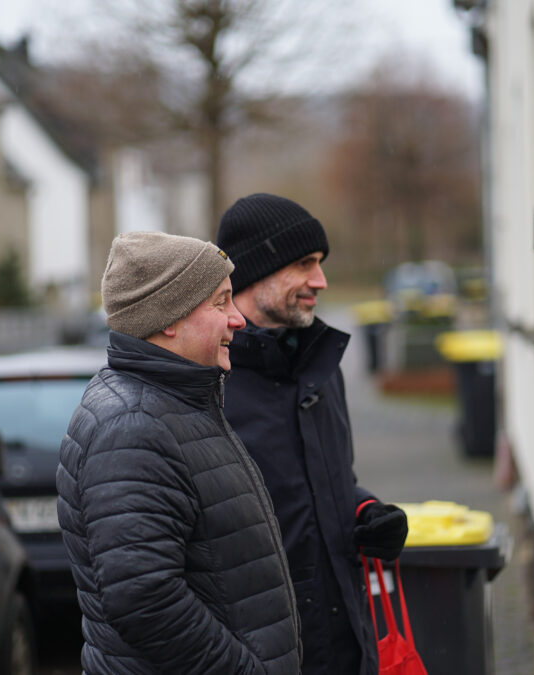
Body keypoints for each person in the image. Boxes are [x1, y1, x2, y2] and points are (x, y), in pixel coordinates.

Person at [56, 231, 301, 674]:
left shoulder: (176, 402)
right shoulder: (132, 425)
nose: (238, 319)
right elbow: (143, 597)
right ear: (169, 317)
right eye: (221, 302)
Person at [217, 194, 410, 675]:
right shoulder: (207, 386)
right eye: (304, 264)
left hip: (346, 643)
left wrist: (364, 511)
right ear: (255, 271)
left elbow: (329, 481)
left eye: (319, 264)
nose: (320, 281)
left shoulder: (321, 369)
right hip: (263, 654)